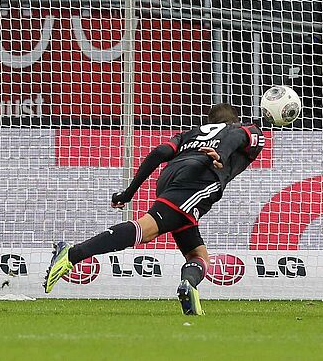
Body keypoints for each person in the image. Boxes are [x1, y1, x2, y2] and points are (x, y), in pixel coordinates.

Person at [43, 104, 266, 315]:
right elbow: (239, 136)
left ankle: (188, 285)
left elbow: (159, 152)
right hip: (199, 177)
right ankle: (72, 254)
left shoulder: (190, 134)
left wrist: (129, 192)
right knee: (146, 229)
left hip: (169, 176)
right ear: (234, 120)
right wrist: (222, 154)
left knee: (197, 255)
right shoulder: (246, 129)